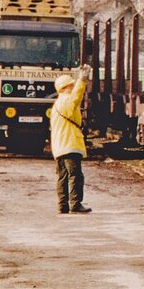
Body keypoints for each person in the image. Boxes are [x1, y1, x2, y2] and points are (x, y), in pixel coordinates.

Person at [51, 65, 92, 213]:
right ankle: (75, 204)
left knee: (62, 177)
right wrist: (82, 79)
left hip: (59, 147)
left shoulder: (57, 105)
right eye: (72, 85)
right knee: (75, 176)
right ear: (66, 87)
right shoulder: (66, 101)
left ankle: (62, 206)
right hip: (69, 145)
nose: (73, 88)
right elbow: (77, 97)